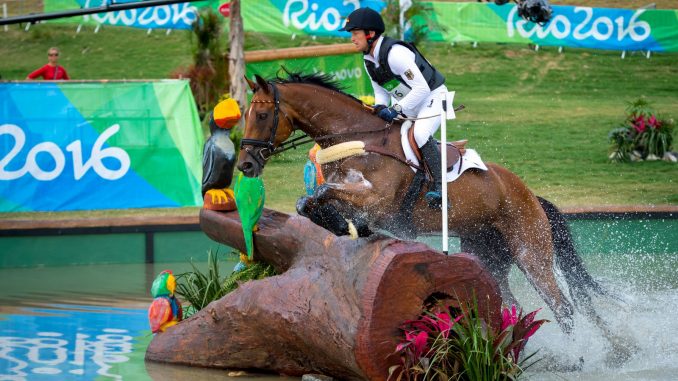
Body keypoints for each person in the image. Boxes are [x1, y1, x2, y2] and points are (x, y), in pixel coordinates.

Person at [340, 7, 447, 208]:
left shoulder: (395, 54)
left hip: (432, 97)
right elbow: (380, 90)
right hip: (410, 102)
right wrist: (380, 108)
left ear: (370, 34)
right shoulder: (368, 58)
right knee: (387, 133)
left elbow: (422, 88)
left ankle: (440, 188)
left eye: (355, 34)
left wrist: (395, 110)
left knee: (421, 134)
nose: (352, 39)